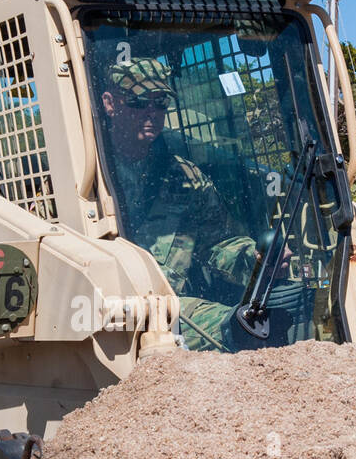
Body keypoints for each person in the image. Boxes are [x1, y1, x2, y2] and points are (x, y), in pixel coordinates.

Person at [98, 57, 259, 349]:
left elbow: (218, 243)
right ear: (110, 103)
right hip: (105, 313)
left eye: (160, 103)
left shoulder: (185, 177)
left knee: (246, 327)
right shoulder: (86, 174)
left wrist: (255, 259)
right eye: (138, 101)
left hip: (169, 311)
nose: (151, 112)